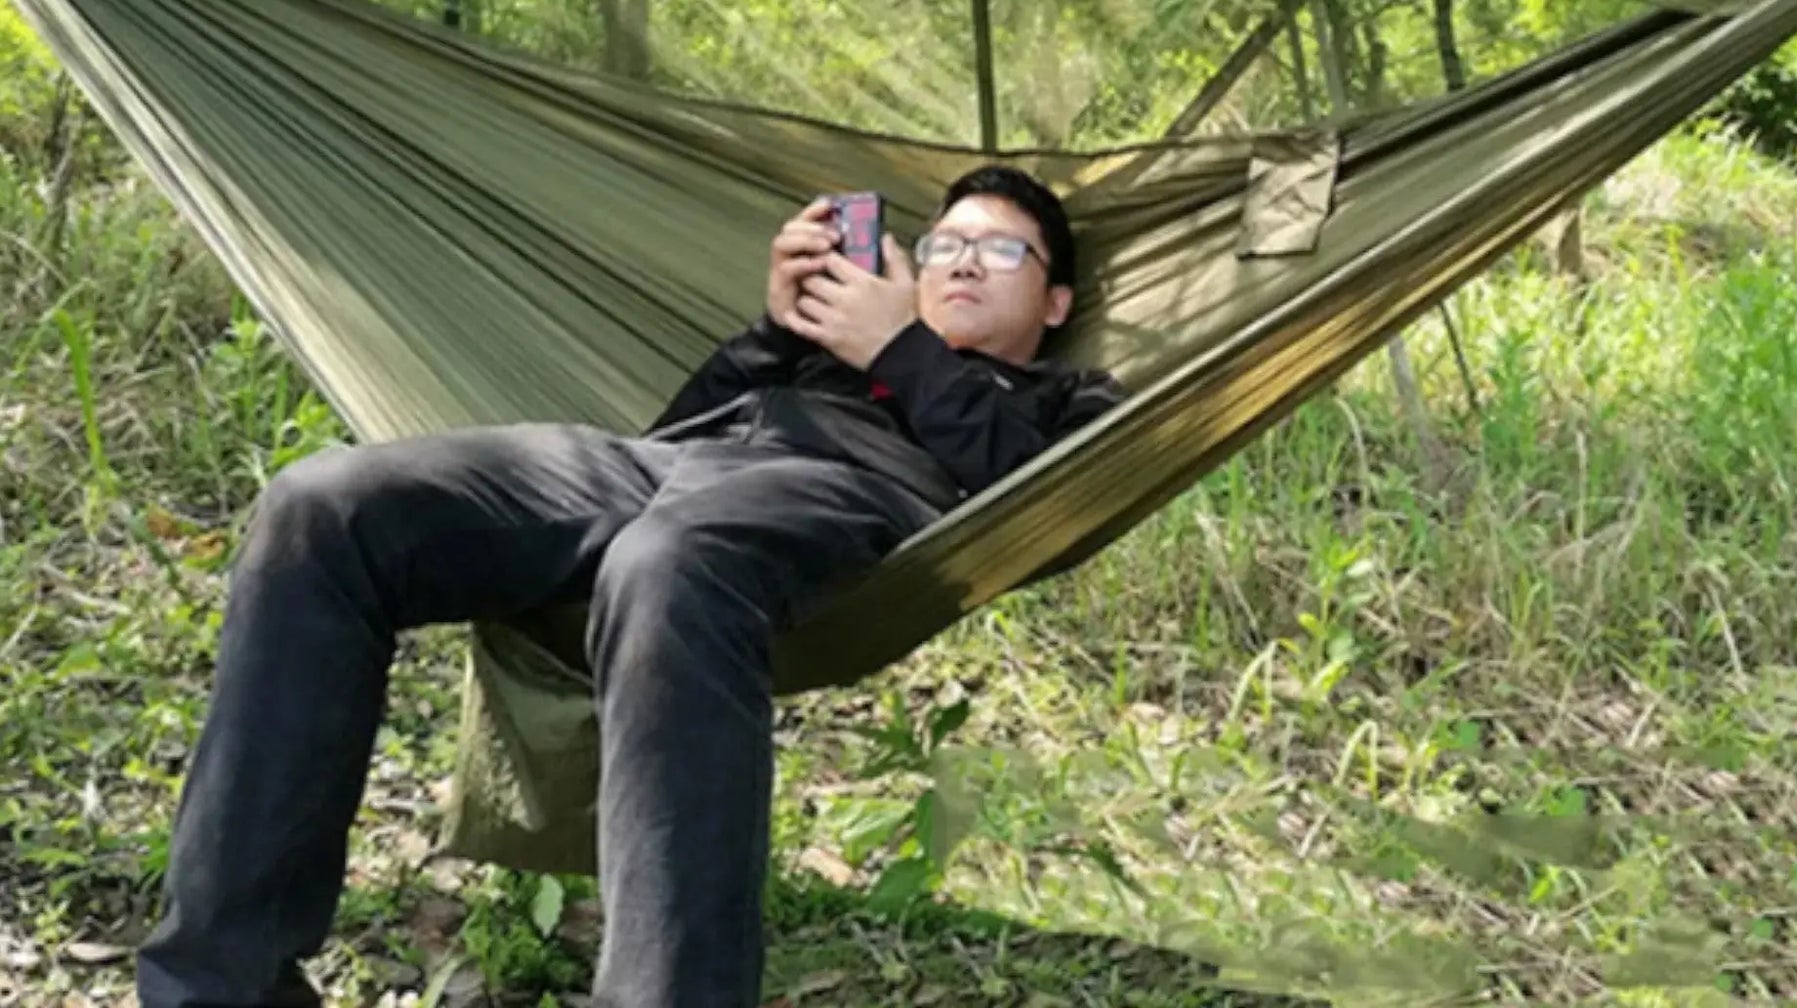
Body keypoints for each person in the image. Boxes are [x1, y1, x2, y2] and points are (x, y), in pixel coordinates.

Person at [136, 164, 1124, 1008]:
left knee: (667, 562)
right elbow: (671, 432)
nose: (962, 260)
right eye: (945, 242)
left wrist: (901, 350)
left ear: (1055, 304)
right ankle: (217, 986)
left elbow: (1029, 486)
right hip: (656, 470)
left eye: (1001, 251)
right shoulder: (822, 352)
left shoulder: (1067, 399)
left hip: (839, 496)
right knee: (322, 503)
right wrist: (778, 328)